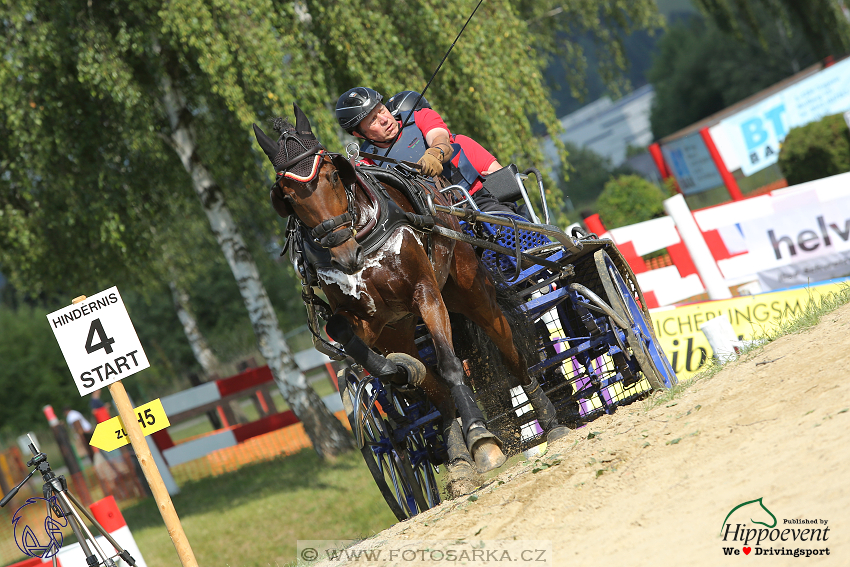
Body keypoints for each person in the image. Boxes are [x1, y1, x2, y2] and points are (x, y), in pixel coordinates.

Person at [335, 87, 514, 213]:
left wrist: (435, 153)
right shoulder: (367, 162)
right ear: (359, 134)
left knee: (508, 231)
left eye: (382, 110)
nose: (384, 119)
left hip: (476, 202)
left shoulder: (420, 117)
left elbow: (440, 138)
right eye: (373, 120)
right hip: (434, 224)